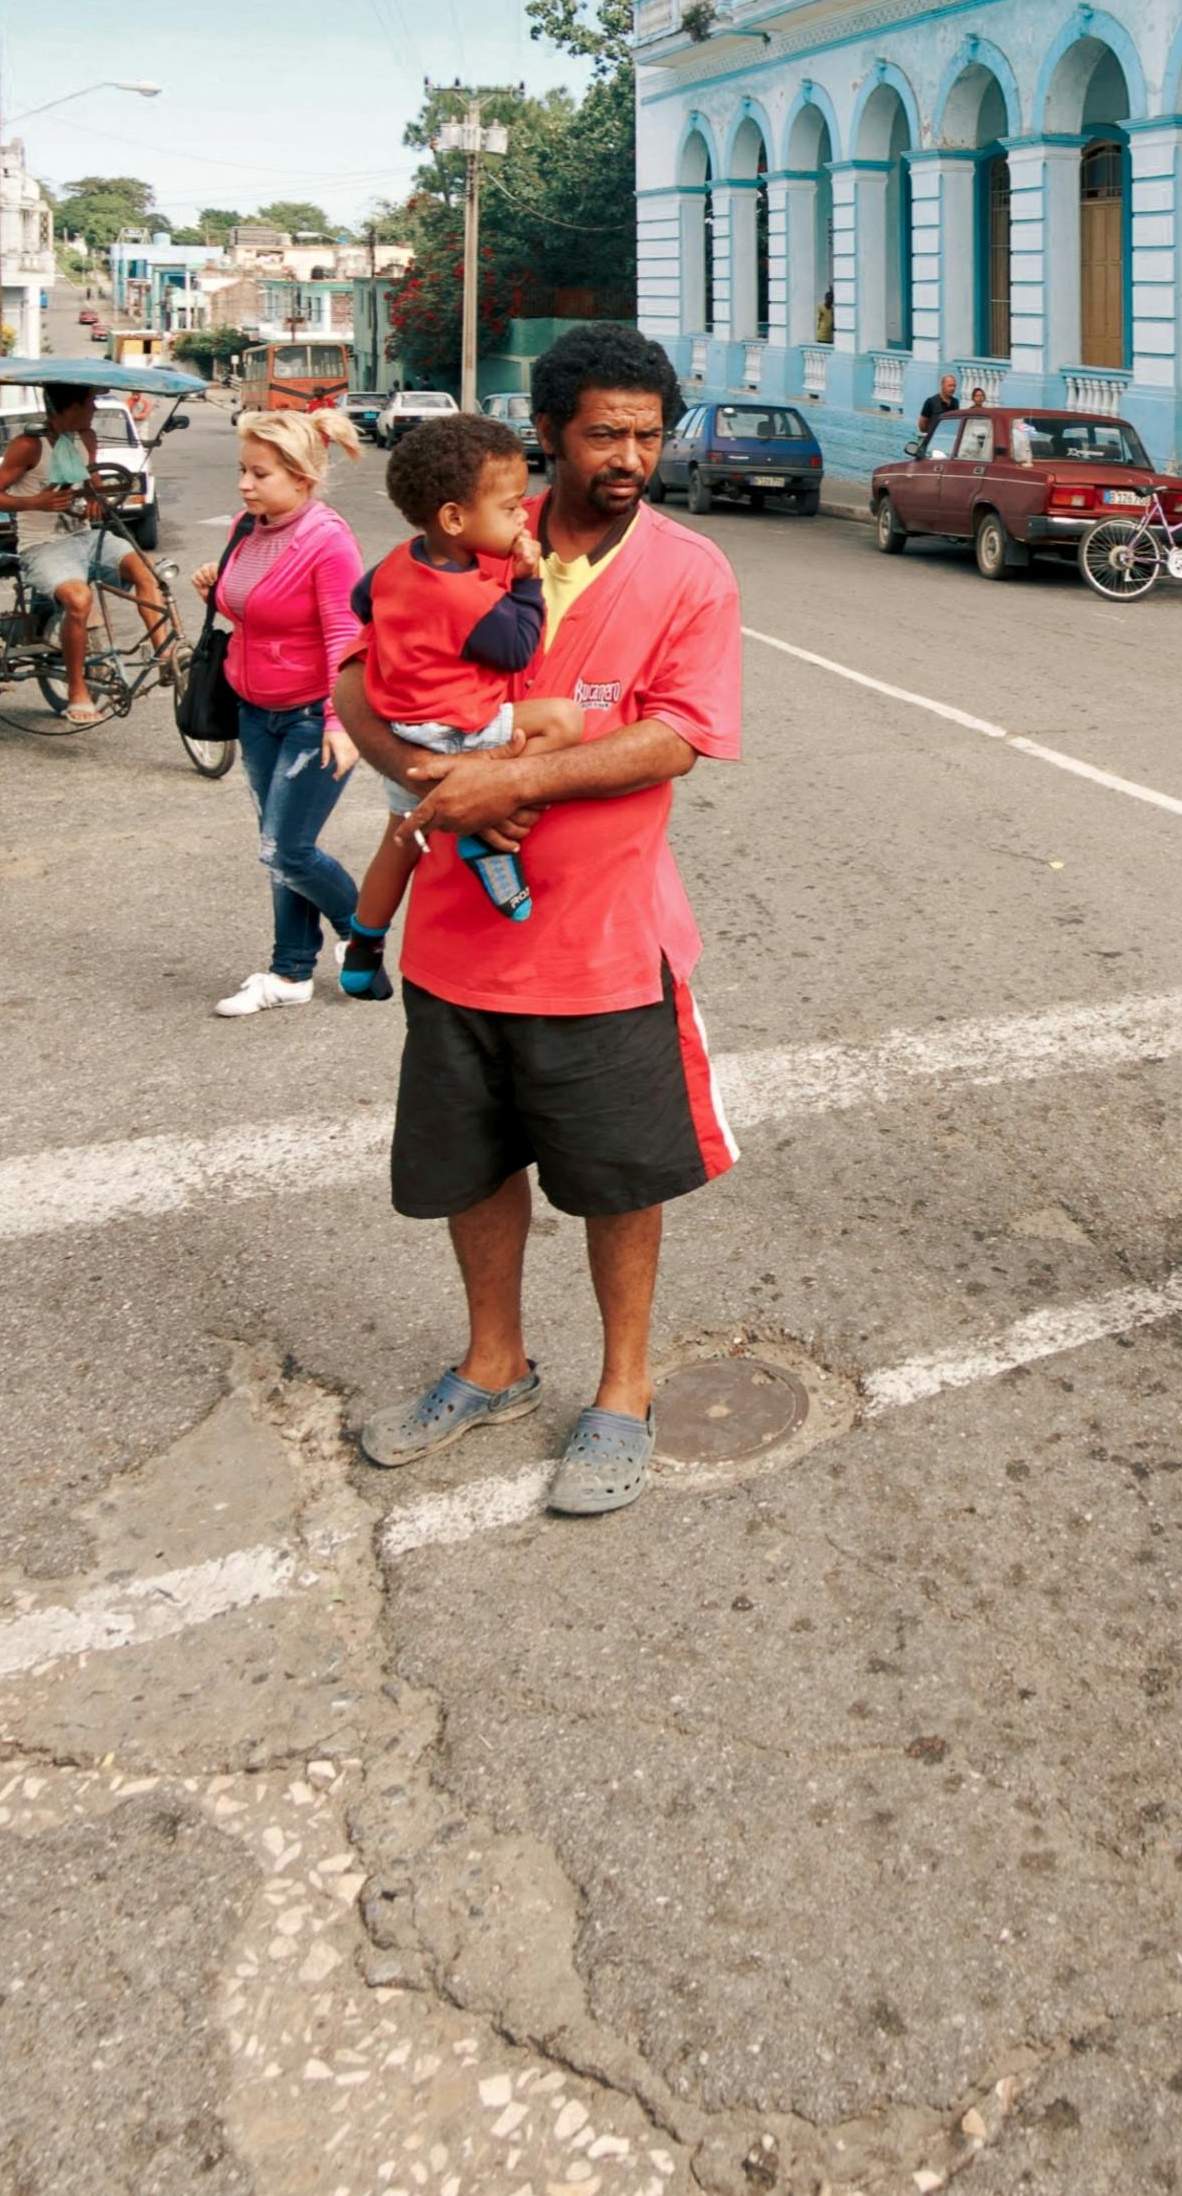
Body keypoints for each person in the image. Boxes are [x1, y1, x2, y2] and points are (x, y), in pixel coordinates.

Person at [333, 325, 741, 1520]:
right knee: (473, 1167)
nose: (629, 456)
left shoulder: (687, 571)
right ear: (548, 432)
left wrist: (511, 782)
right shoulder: (453, 539)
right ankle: (493, 1363)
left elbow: (683, 734)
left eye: (649, 434)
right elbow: (358, 684)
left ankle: (625, 1387)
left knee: (616, 1180)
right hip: (457, 939)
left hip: (606, 942)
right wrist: (421, 772)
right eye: (605, 432)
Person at [336, 415, 586, 1003]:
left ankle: (361, 952)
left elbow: (360, 599)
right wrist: (526, 582)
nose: (523, 517)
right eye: (508, 509)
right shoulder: (468, 597)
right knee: (563, 721)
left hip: (402, 723)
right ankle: (488, 813)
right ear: (455, 518)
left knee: (397, 844)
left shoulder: (401, 560)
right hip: (455, 730)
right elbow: (517, 647)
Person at [207, 405, 373, 1014]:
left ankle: (360, 930)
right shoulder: (244, 529)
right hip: (255, 712)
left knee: (285, 849)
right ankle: (291, 974)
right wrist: (217, 592)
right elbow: (254, 613)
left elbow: (344, 637)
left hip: (311, 717)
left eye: (260, 474)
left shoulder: (326, 541)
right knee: (279, 847)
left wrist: (339, 722)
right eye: (243, 470)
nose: (245, 484)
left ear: (302, 478)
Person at [0, 381, 172, 726]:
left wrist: (94, 501)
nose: (95, 410)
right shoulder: (28, 446)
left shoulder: (86, 438)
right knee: (79, 599)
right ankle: (77, 689)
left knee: (149, 573)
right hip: (42, 546)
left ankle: (165, 655)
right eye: (89, 402)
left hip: (85, 538)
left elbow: (92, 489)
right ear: (68, 407)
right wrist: (35, 502)